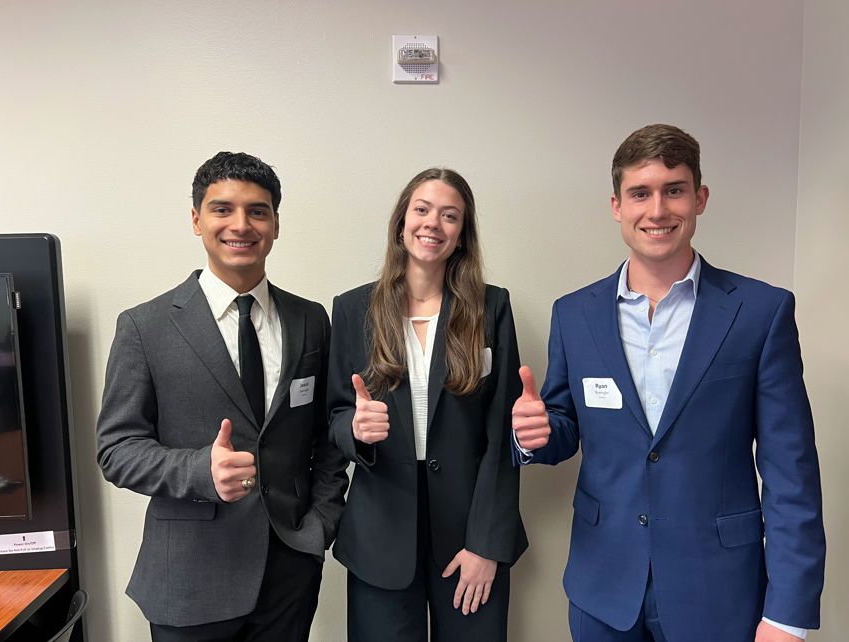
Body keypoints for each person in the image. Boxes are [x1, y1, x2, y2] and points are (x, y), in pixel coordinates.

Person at [512, 125, 825, 642]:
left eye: (673, 190)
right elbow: (563, 425)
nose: (656, 211)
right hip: (603, 590)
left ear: (699, 198)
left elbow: (791, 473)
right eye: (640, 193)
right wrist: (533, 435)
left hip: (719, 591)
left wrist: (787, 613)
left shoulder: (761, 313)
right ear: (617, 206)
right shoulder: (574, 314)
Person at [96, 152, 348, 642]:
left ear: (276, 224)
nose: (241, 224)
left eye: (257, 211)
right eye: (222, 209)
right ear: (196, 220)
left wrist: (320, 527)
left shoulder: (310, 320)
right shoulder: (144, 326)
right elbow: (116, 450)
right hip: (189, 579)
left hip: (289, 571)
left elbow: (326, 436)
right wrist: (199, 471)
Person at [327, 168, 528, 641]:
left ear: (461, 236)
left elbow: (503, 436)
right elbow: (334, 417)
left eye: (449, 215)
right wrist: (355, 429)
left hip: (470, 534)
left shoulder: (491, 307)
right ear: (402, 223)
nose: (432, 223)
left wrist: (487, 544)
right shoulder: (353, 308)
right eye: (421, 210)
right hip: (380, 532)